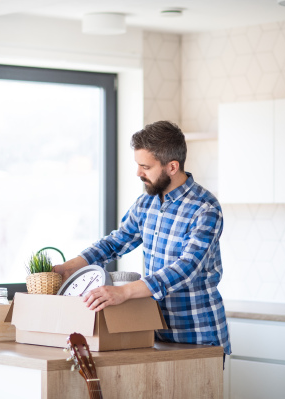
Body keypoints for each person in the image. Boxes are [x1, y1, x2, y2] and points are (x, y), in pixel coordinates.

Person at [53, 120, 231, 356]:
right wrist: (70, 267)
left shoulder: (205, 208)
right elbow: (116, 242)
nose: (138, 173)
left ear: (172, 167)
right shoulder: (146, 202)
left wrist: (123, 292)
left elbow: (186, 268)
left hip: (198, 335)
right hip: (154, 332)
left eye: (145, 167)